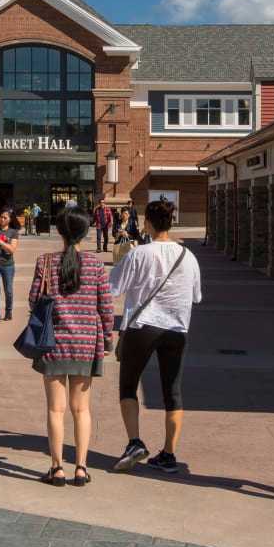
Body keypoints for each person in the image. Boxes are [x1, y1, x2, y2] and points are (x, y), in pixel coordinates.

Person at [109, 199, 202, 475]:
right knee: (172, 392)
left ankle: (134, 442)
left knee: (128, 385)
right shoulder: (189, 256)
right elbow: (196, 296)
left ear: (147, 222)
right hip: (176, 329)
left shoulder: (140, 254)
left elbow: (114, 287)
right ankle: (169, 454)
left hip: (142, 326)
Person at [28, 207, 114, 486]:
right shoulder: (96, 265)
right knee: (81, 409)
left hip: (53, 344)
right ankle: (81, 467)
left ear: (60, 232)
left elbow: (33, 301)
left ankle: (57, 468)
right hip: (86, 344)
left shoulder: (46, 262)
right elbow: (106, 309)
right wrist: (108, 339)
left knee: (55, 409)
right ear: (85, 232)